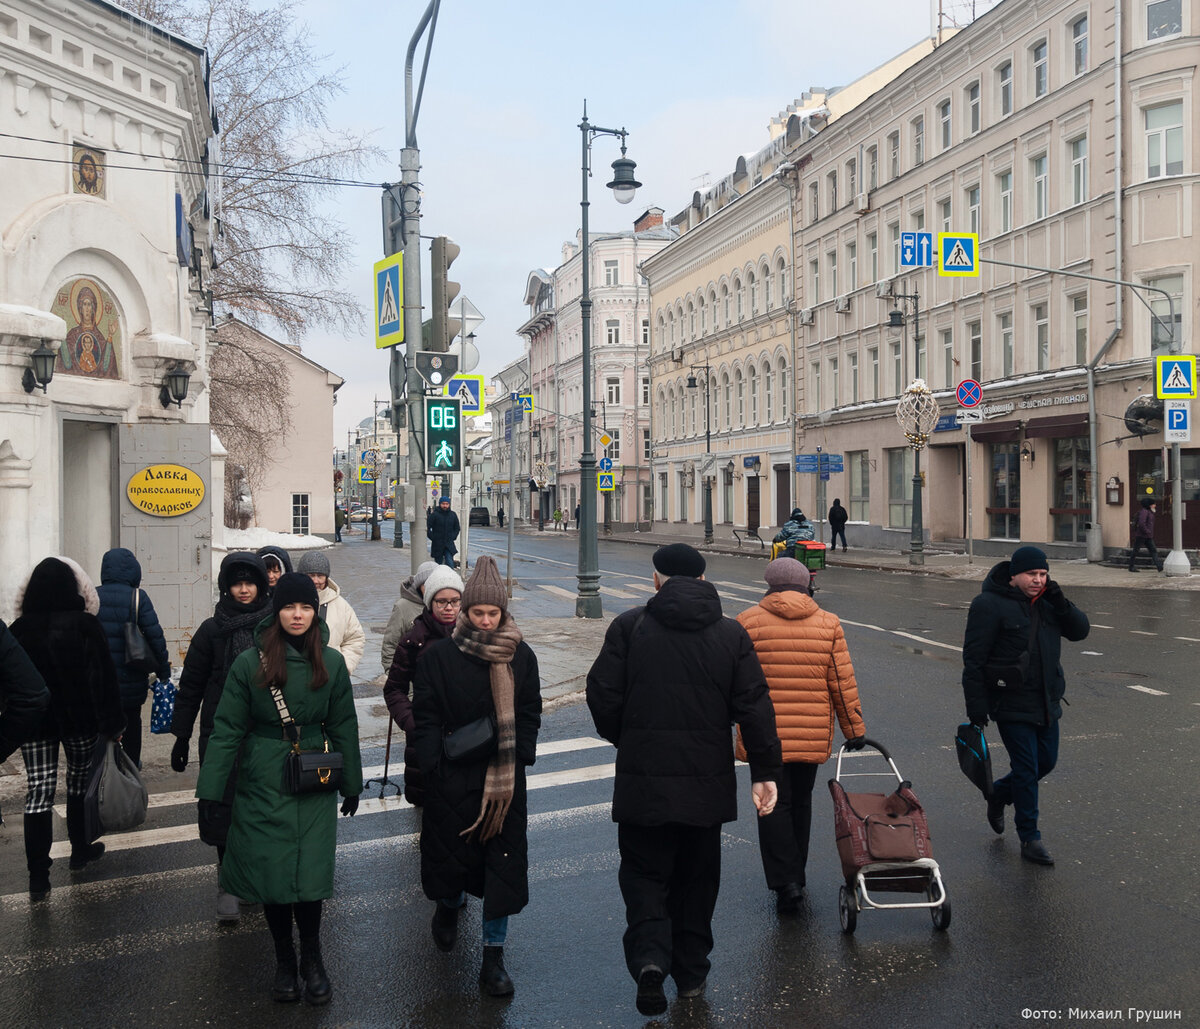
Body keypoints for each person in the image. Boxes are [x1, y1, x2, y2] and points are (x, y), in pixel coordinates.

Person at [586, 543, 780, 1015]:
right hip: (704, 785)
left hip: (643, 783)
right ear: (702, 578)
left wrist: (627, 739)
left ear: (657, 579)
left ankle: (651, 958)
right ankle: (691, 973)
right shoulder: (730, 634)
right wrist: (765, 771)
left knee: (644, 874)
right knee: (697, 879)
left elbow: (601, 696)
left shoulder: (630, 628)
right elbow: (754, 706)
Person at [196, 572, 362, 1006]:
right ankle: (284, 960)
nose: (297, 614)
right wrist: (211, 791)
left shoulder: (331, 661)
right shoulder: (250, 663)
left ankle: (313, 957)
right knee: (272, 873)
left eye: (306, 607)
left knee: (309, 874)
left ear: (315, 611)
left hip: (314, 775)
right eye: (289, 607)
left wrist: (352, 783)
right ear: (277, 611)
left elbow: (343, 723)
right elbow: (227, 729)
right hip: (263, 775)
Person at [412, 556, 542, 998]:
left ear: (505, 613)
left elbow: (528, 712)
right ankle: (448, 908)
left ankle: (493, 958)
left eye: (494, 614)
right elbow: (425, 717)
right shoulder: (437, 657)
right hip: (453, 776)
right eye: (478, 613)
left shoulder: (520, 655)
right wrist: (431, 766)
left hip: (503, 784)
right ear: (464, 612)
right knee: (453, 862)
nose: (486, 621)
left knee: (500, 871)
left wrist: (522, 754)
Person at [735, 557, 865, 912]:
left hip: (764, 737)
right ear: (806, 585)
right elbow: (842, 681)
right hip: (809, 733)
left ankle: (786, 882)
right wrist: (854, 730)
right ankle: (798, 874)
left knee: (771, 805)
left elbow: (736, 683)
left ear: (769, 585)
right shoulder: (828, 623)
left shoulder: (746, 622)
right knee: (800, 803)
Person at [961, 546, 1090, 866]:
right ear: (1014, 575)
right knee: (1027, 768)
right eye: (1032, 574)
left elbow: (1080, 631)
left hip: (1046, 700)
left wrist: (1061, 602)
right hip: (1011, 702)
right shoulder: (988, 605)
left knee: (1046, 762)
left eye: (1043, 574)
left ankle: (999, 794)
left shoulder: (1049, 602)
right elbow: (974, 661)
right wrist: (976, 708)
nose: (1038, 580)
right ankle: (1030, 837)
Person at [10, 557, 124, 900]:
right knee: (78, 783)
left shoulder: (19, 630)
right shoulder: (86, 625)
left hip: (36, 723)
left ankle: (38, 877)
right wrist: (114, 722)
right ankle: (79, 850)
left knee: (39, 792)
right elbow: (104, 678)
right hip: (80, 719)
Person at [171, 551, 272, 922]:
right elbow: (191, 685)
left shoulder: (274, 626)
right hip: (220, 732)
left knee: (260, 807)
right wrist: (181, 736)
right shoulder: (212, 630)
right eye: (236, 583)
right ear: (226, 587)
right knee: (222, 806)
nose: (243, 590)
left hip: (265, 733)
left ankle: (253, 877)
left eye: (250, 582)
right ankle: (228, 883)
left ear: (260, 585)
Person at [385, 566, 463, 807]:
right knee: (431, 812)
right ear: (430, 602)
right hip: (425, 739)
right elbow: (394, 689)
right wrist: (412, 722)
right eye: (441, 602)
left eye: (455, 601)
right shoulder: (413, 640)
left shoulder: (472, 638)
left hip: (466, 738)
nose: (449, 607)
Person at [95, 547, 172, 768]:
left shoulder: (93, 595)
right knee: (132, 722)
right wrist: (163, 673)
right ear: (134, 572)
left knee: (102, 723)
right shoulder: (138, 597)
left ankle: (102, 768)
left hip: (101, 680)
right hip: (132, 678)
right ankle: (130, 766)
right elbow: (155, 637)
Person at [296, 551, 365, 676]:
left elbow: (355, 639)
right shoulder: (290, 604)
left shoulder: (341, 606)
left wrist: (343, 667)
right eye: (311, 575)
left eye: (320, 575)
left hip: (331, 677)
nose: (316, 580)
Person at [0, 619, 50, 764]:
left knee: (40, 779)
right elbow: (32, 696)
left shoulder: (20, 625)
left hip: (38, 730)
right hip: (79, 721)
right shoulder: (88, 624)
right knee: (80, 776)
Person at [380, 560, 439, 673]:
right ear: (418, 585)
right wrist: (393, 673)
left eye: (434, 583)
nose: (430, 588)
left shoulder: (447, 606)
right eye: (426, 584)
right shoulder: (402, 607)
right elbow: (390, 644)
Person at [1128, 498, 1163, 572]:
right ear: (1149, 505)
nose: (1155, 505)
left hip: (1147, 536)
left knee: (1153, 550)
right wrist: (1147, 531)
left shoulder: (1149, 512)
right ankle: (1131, 566)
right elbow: (1141, 523)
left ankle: (1159, 566)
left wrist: (1148, 533)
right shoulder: (1145, 512)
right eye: (1153, 504)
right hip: (1141, 535)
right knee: (1136, 551)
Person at [428, 496, 460, 567]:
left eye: (446, 504)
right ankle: (438, 577)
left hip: (449, 544)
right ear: (440, 504)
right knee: (438, 564)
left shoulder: (452, 515)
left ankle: (451, 577)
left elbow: (457, 528)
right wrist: (433, 537)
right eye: (443, 504)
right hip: (437, 544)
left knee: (450, 562)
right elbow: (427, 528)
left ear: (449, 504)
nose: (445, 506)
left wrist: (453, 536)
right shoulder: (434, 515)